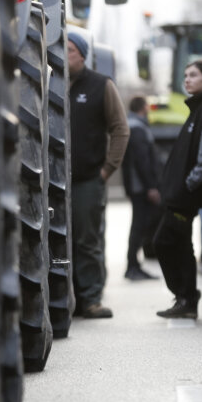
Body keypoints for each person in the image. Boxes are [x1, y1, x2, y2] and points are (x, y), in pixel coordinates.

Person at [67, 30, 129, 319]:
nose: (64, 55)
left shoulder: (100, 85)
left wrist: (107, 169)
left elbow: (120, 128)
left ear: (82, 54)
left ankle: (90, 298)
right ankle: (65, 297)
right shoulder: (46, 82)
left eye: (69, 50)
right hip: (52, 178)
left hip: (87, 179)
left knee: (86, 239)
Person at [154, 60, 202, 319]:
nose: (187, 79)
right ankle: (186, 300)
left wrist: (189, 183)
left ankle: (186, 298)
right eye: (185, 75)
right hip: (179, 194)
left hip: (185, 196)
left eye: (193, 75)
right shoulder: (196, 109)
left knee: (166, 242)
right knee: (180, 244)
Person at [122, 95, 161, 281]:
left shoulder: (133, 125)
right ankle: (132, 267)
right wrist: (151, 187)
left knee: (139, 225)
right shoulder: (137, 128)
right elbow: (142, 161)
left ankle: (134, 265)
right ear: (143, 107)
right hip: (140, 187)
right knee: (139, 225)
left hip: (138, 186)